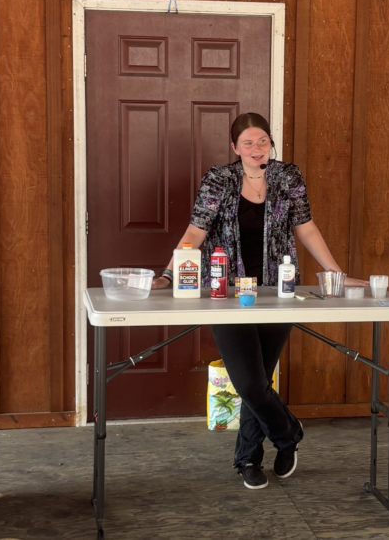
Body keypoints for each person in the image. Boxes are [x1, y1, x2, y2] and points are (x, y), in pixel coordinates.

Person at [151, 112, 368, 489]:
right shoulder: (219, 180)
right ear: (235, 148)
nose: (256, 148)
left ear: (271, 142)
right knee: (249, 382)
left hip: (276, 292)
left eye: (263, 140)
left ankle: (247, 459)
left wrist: (337, 274)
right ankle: (288, 434)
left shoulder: (288, 177)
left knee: (261, 379)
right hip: (227, 292)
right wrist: (170, 273)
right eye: (248, 142)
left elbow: (307, 228)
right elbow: (195, 230)